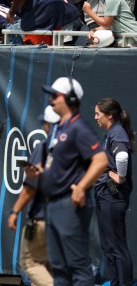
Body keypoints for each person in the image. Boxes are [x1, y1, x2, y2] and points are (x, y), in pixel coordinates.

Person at [36, 77, 107, 285]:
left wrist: (82, 187)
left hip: (69, 206)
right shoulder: (63, 128)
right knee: (59, 267)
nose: (51, 99)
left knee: (77, 267)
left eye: (55, 95)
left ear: (70, 99)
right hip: (54, 204)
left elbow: (101, 160)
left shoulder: (78, 127)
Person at [7, 105, 59, 286]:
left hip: (45, 215)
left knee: (29, 262)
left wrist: (15, 211)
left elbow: (31, 185)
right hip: (69, 217)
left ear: (48, 124)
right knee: (49, 266)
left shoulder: (45, 147)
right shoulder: (74, 145)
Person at [93, 98, 134, 286]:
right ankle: (116, 282)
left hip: (113, 198)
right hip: (104, 197)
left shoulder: (117, 132)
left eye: (98, 114)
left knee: (116, 246)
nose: (95, 118)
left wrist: (121, 177)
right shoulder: (111, 133)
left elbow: (123, 156)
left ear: (109, 115)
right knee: (108, 247)